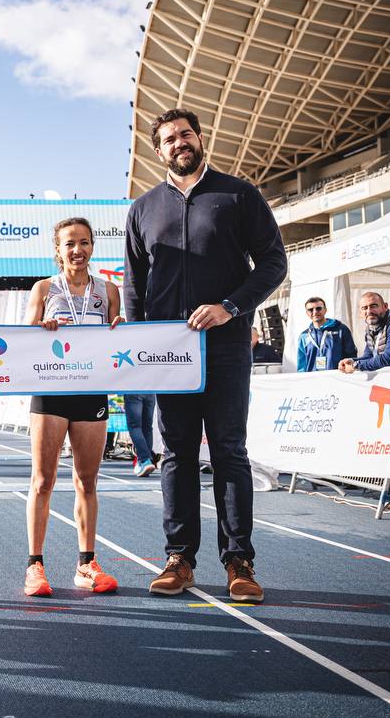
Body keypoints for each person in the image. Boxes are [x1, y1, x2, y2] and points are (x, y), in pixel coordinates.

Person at [124, 107, 287, 604]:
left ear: (200, 138)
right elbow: (135, 286)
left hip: (226, 345)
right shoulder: (143, 209)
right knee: (175, 454)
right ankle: (180, 559)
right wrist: (137, 344)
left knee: (229, 452)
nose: (180, 143)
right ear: (159, 150)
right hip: (168, 354)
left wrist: (231, 307)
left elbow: (274, 263)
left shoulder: (239, 194)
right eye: (169, 138)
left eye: (186, 134)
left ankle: (240, 562)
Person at [21, 217, 124, 597]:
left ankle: (86, 563)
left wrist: (121, 330)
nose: (77, 250)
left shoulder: (108, 290)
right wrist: (40, 326)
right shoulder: (44, 288)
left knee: (87, 481)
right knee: (43, 480)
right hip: (50, 391)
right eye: (69, 244)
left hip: (91, 391)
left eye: (83, 242)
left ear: (93, 246)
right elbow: (22, 341)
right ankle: (35, 566)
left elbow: (116, 338)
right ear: (58, 250)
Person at [338, 292, 390, 374]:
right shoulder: (370, 327)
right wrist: (351, 361)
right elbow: (369, 356)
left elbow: (388, 359)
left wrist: (356, 365)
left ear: (385, 307)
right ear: (360, 313)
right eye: (364, 308)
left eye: (373, 306)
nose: (369, 311)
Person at [296, 296, 356, 372]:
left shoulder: (341, 329)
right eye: (310, 310)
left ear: (325, 310)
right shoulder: (304, 336)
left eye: (318, 308)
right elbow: (301, 363)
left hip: (337, 378)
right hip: (312, 380)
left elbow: (351, 355)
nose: (315, 312)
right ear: (307, 313)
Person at [124, 392, 157, 478]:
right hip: (150, 391)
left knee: (135, 427)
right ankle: (144, 461)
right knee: (147, 428)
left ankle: (145, 460)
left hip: (133, 389)